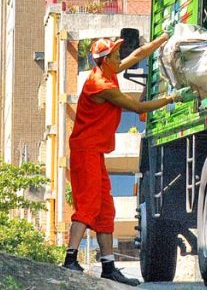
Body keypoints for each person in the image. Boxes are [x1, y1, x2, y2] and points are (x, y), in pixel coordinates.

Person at [62, 30, 182, 284]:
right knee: (88, 206)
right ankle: (70, 260)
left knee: (106, 210)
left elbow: (137, 54)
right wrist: (172, 98)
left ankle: (108, 267)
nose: (121, 57)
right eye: (117, 54)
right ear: (106, 59)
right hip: (85, 152)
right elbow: (137, 107)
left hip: (96, 153)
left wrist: (161, 40)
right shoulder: (100, 85)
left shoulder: (108, 71)